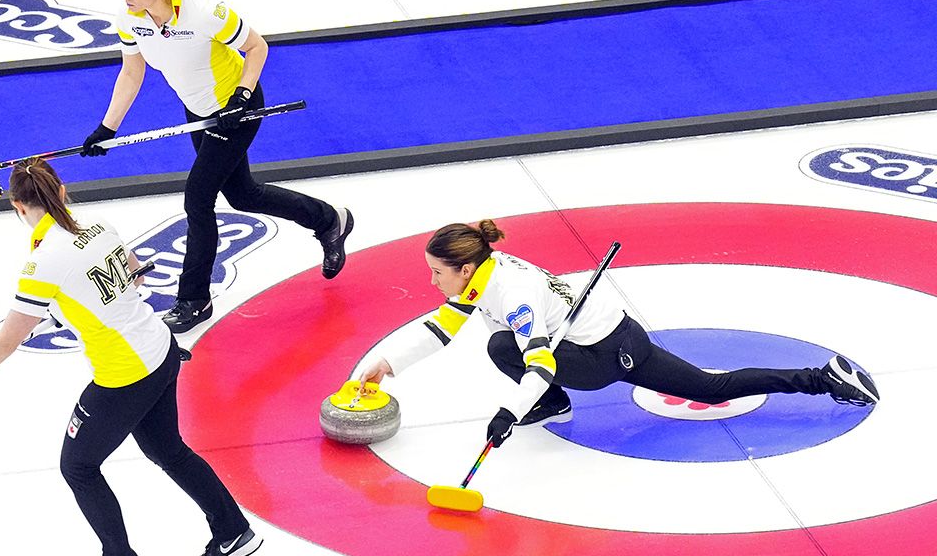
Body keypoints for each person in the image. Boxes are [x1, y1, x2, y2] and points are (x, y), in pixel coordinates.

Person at [0, 159, 262, 556]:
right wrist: (75, 305)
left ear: (19, 208)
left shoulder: (42, 264)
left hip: (124, 374)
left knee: (78, 466)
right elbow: (136, 272)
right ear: (62, 191)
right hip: (160, 347)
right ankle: (233, 530)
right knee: (166, 449)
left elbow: (6, 343)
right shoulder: (99, 225)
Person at [359, 220, 880, 448]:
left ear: (467, 268)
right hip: (597, 334)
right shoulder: (483, 274)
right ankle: (553, 405)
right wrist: (390, 363)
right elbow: (443, 329)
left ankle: (821, 378)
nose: (432, 281)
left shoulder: (511, 294)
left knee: (710, 389)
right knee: (499, 344)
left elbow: (538, 364)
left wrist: (509, 411)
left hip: (609, 353)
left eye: (437, 272)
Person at [80, 0, 353, 333]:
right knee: (242, 195)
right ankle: (330, 219)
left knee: (199, 198)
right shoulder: (131, 18)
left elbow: (257, 47)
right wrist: (106, 128)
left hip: (235, 110)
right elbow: (131, 74)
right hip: (200, 113)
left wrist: (241, 98)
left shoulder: (205, 12)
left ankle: (194, 299)